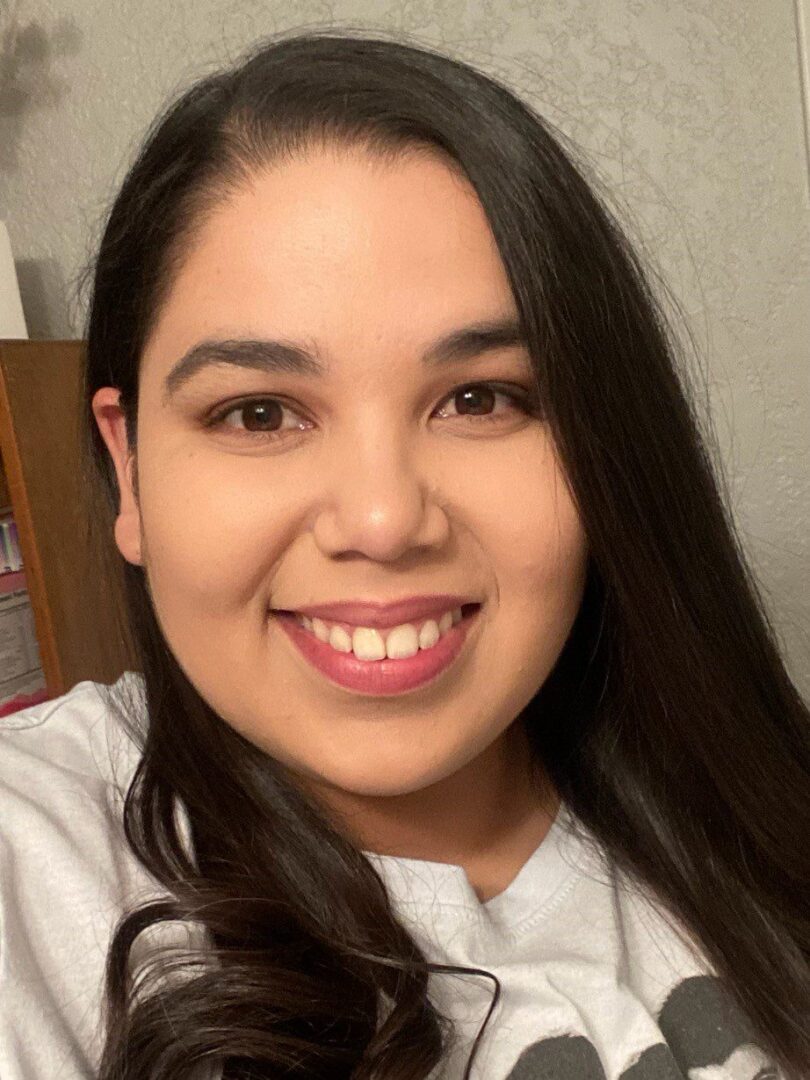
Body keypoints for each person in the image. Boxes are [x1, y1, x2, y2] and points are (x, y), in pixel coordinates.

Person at [0, 28, 807, 1080]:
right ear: (133, 466)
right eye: (257, 413)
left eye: (481, 399)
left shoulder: (758, 798)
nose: (383, 521)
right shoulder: (36, 861)